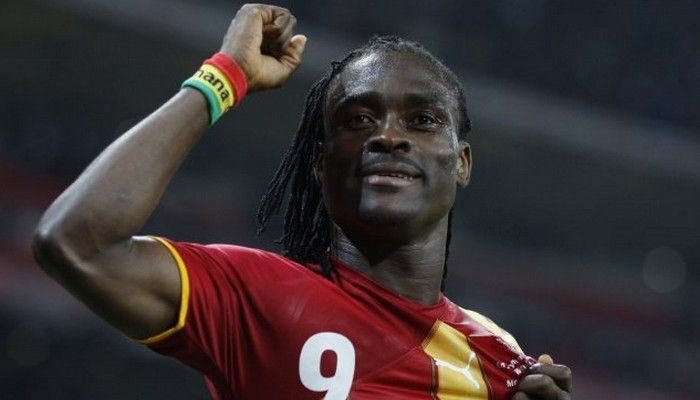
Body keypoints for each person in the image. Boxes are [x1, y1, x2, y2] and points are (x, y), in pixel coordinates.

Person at [33, 4, 571, 400]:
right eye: (358, 120)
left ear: (462, 162)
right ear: (320, 165)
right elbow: (76, 242)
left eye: (423, 120)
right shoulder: (257, 298)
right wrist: (224, 76)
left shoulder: (498, 358)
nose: (388, 136)